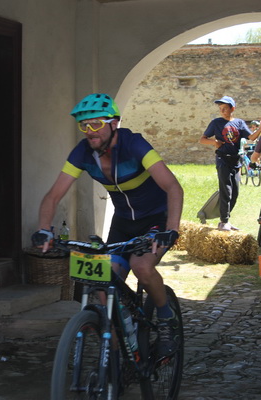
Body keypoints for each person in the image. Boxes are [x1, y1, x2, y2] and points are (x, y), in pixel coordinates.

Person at [31, 93, 184, 356]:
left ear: (114, 124)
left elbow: (173, 187)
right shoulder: (83, 152)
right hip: (122, 223)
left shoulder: (134, 144)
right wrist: (44, 228)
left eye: (96, 123)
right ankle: (116, 357)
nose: (90, 131)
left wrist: (172, 229)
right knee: (103, 285)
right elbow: (53, 195)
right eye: (84, 125)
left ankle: (165, 316)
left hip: (156, 219)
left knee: (141, 266)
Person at [199, 96, 261, 231]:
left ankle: (225, 220)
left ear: (232, 108)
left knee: (235, 193)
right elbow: (202, 139)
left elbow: (251, 137)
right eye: (220, 108)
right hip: (222, 159)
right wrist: (214, 142)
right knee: (226, 190)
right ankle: (224, 221)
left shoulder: (239, 123)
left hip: (236, 160)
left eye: (225, 108)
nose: (222, 111)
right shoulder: (216, 123)